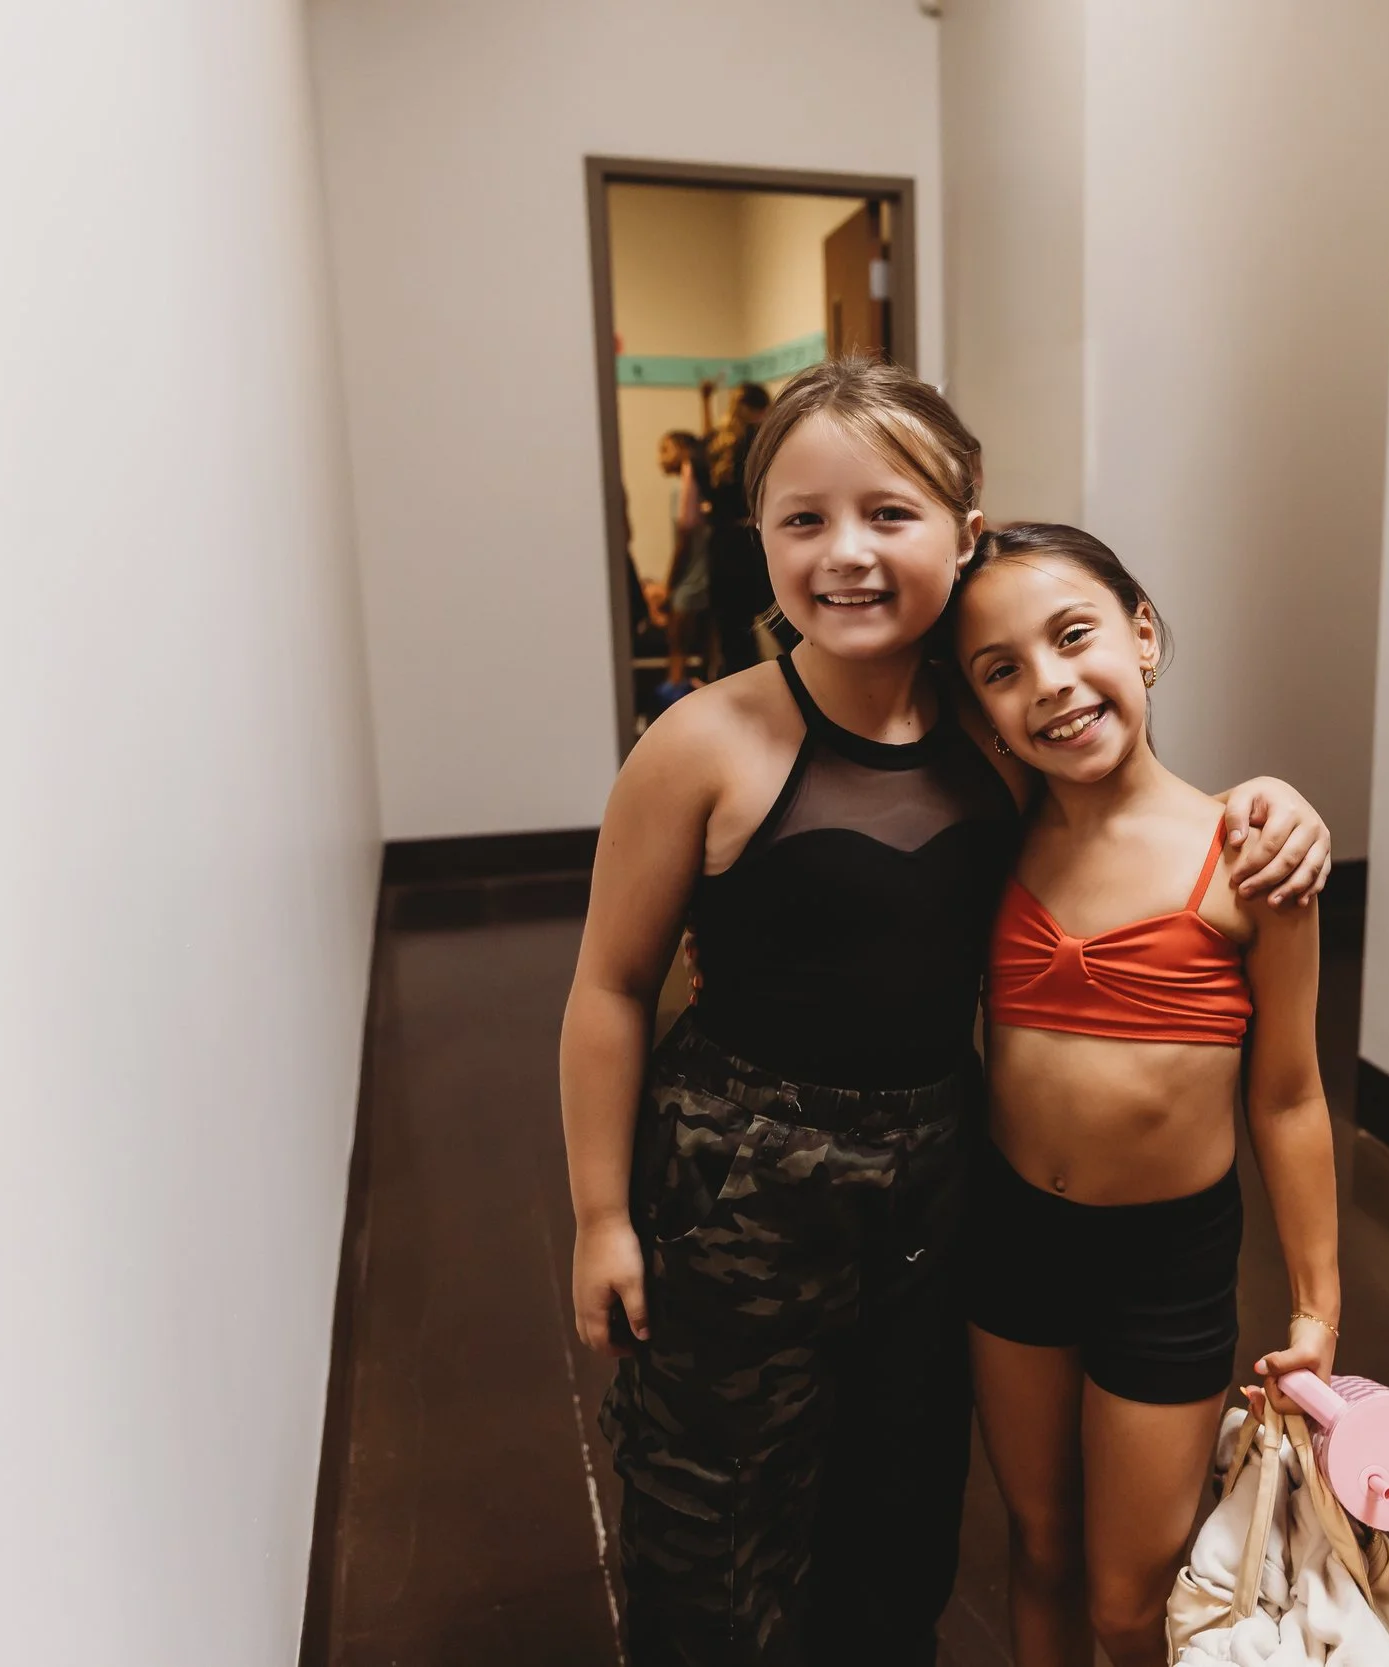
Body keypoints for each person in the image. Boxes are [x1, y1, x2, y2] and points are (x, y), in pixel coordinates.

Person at [559, 358, 1335, 1667]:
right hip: (739, 1185)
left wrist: (1274, 801)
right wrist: (596, 1214)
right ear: (758, 540)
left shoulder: (992, 743)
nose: (846, 551)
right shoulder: (702, 740)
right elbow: (611, 982)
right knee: (717, 1507)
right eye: (802, 518)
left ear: (961, 533)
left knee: (903, 1503)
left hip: (939, 1185)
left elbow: (1124, 797)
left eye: (889, 513)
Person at [949, 524, 1342, 1667]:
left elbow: (1288, 1097)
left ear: (1143, 633)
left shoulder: (1249, 854)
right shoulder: (991, 847)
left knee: (1130, 1600)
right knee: (1038, 1547)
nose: (1052, 685)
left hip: (1165, 1262)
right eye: (1002, 669)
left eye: (1074, 636)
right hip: (1011, 1237)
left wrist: (1315, 1307)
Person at [702, 380, 776, 674]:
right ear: (765, 408)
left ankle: (742, 705)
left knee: (733, 634)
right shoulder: (764, 441)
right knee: (786, 623)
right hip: (755, 541)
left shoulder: (711, 445)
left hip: (721, 545)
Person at [644, 429, 713, 714]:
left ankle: (675, 696)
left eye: (665, 449)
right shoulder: (685, 486)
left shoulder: (690, 483)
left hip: (695, 577)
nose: (660, 458)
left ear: (683, 450)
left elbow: (685, 535)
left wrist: (670, 583)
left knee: (680, 645)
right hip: (692, 576)